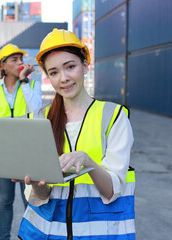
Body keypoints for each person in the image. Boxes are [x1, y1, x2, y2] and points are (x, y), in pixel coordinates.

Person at [17, 28, 136, 239]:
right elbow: (41, 197)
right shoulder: (39, 120)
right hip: (47, 233)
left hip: (97, 234)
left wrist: (87, 162)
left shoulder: (113, 117)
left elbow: (112, 191)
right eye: (53, 72)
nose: (63, 78)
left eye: (70, 67)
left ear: (85, 66)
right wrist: (36, 184)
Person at [0, 43, 42, 240]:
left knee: (30, 200)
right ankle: (4, 237)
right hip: (4, 155)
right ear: (2, 65)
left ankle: (31, 236)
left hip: (27, 153)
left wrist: (23, 81)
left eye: (21, 59)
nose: (20, 63)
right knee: (5, 201)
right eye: (14, 60)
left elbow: (36, 110)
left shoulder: (32, 85)